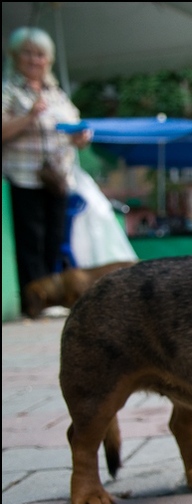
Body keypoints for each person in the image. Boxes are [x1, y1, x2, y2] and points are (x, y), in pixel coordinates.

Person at [2, 26, 92, 313]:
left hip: (58, 178)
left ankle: (54, 298)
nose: (33, 59)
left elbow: (74, 126)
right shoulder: (9, 90)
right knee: (31, 241)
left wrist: (81, 137)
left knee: (56, 238)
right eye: (27, 53)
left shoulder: (57, 94)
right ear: (15, 57)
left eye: (39, 54)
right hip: (25, 176)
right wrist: (29, 116)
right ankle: (33, 302)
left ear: (48, 59)